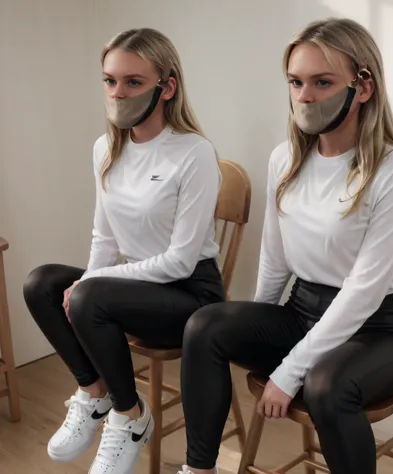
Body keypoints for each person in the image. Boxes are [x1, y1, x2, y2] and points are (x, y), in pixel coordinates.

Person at [179, 18, 393, 474]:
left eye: (322, 82)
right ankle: (199, 469)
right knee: (205, 325)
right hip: (301, 312)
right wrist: (251, 325)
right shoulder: (285, 158)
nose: (305, 96)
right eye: (296, 82)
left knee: (325, 386)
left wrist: (289, 371)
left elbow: (363, 293)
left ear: (363, 87)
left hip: (374, 331)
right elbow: (274, 260)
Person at [23, 28, 224, 474]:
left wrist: (93, 284)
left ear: (166, 86)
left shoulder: (194, 153)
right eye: (110, 81)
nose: (118, 92)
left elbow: (181, 260)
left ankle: (129, 417)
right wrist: (87, 281)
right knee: (41, 283)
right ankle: (95, 394)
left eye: (133, 82)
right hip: (137, 290)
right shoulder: (105, 149)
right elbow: (105, 239)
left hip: (190, 297)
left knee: (90, 294)